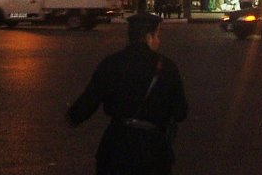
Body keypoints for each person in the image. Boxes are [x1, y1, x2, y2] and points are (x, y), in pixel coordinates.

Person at [67, 13, 188, 174]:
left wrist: (71, 117)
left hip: (116, 146)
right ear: (148, 37)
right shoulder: (166, 67)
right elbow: (181, 112)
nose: (159, 41)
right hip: (152, 151)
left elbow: (88, 101)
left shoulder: (111, 63)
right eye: (157, 35)